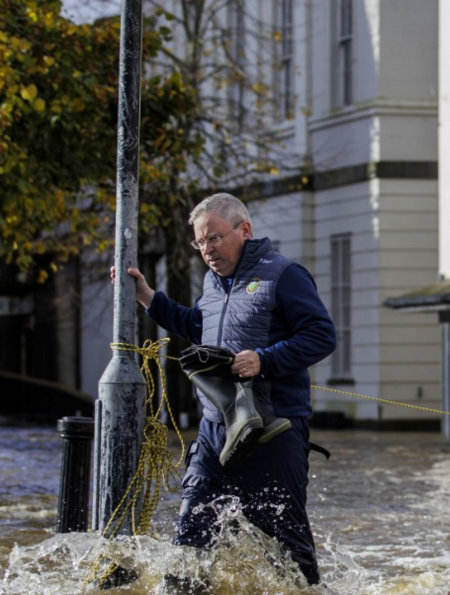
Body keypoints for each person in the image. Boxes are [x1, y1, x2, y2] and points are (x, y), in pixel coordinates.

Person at [112, 193, 336, 584]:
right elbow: (196, 325)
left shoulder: (284, 274)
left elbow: (322, 336)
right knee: (190, 541)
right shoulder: (213, 283)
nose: (207, 250)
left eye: (214, 238)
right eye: (200, 243)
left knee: (289, 552)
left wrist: (265, 359)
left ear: (244, 230)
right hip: (216, 431)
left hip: (272, 430)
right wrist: (146, 297)